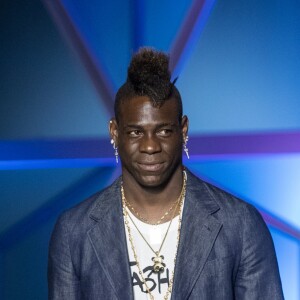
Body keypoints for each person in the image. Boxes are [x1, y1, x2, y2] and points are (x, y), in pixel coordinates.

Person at [48, 48, 284, 300]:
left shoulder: (240, 224)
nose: (150, 146)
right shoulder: (74, 231)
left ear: (183, 130)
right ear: (114, 133)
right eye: (136, 132)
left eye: (163, 131)